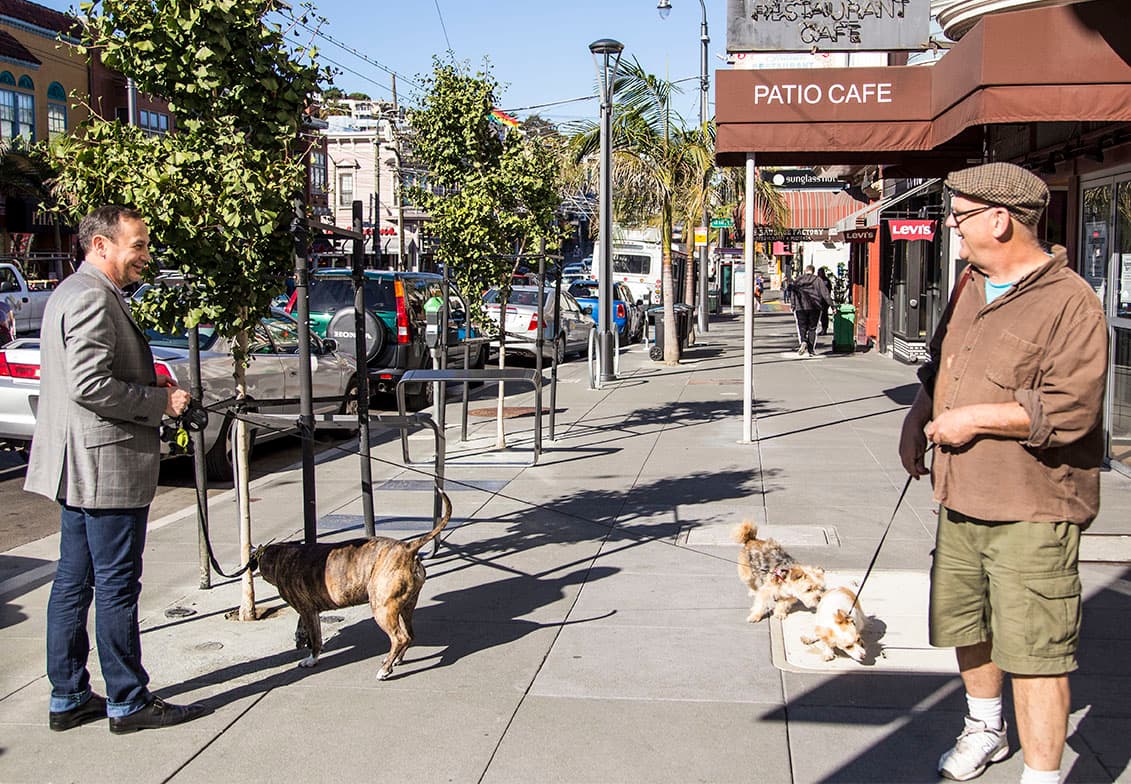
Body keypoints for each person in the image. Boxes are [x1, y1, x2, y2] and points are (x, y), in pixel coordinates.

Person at [898, 163, 1107, 784]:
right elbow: (941, 365)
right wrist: (919, 415)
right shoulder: (968, 284)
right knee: (969, 624)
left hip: (1032, 510)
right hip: (960, 497)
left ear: (1000, 219)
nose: (952, 230)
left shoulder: (1071, 302)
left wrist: (975, 420)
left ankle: (1042, 776)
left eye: (959, 218)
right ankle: (985, 727)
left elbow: (1071, 410)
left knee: (1037, 651)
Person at [26, 205, 210, 734]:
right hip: (102, 467)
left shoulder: (71, 291)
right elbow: (90, 385)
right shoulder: (91, 297)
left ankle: (68, 696)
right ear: (101, 245)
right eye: (138, 246)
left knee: (74, 580)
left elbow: (90, 379)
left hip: (79, 465)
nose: (144, 257)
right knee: (113, 585)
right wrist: (162, 403)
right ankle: (127, 701)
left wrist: (150, 390)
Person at [786, 264, 831, 357]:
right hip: (815, 307)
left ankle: (803, 341)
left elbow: (793, 293)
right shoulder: (818, 280)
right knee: (812, 328)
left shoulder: (798, 280)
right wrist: (832, 305)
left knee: (802, 326)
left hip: (800, 307)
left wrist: (793, 304)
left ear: (805, 270)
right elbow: (825, 293)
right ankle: (811, 350)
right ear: (813, 271)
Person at [816, 267, 834, 334]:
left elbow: (826, 292)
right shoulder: (818, 280)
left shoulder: (825, 281)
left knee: (824, 315)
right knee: (821, 316)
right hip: (819, 300)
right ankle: (823, 329)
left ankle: (824, 329)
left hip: (824, 301)